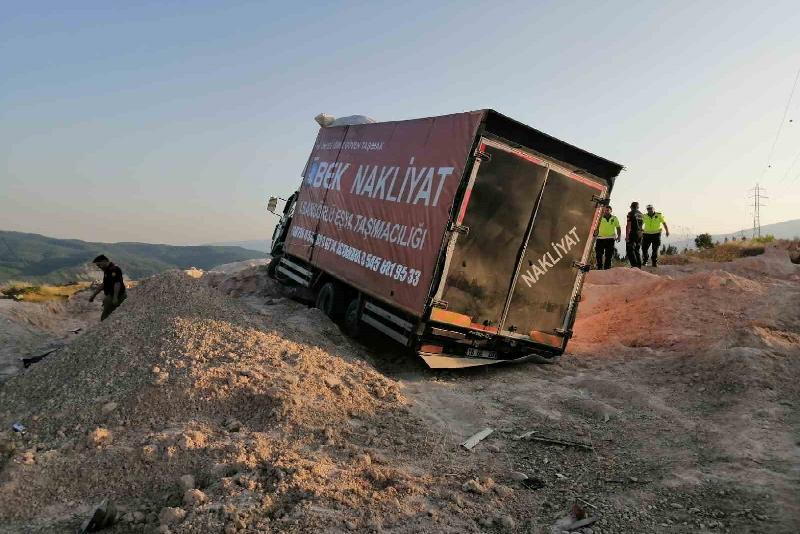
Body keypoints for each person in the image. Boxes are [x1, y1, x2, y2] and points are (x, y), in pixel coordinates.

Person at [88, 255, 127, 321]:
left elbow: (117, 283)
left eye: (99, 265)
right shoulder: (107, 270)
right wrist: (93, 295)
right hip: (111, 295)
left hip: (117, 295)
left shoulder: (114, 269)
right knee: (109, 312)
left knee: (105, 316)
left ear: (104, 261)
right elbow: (104, 284)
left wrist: (115, 297)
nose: (99, 267)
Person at [595, 205, 621, 269]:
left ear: (611, 211)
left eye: (607, 210)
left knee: (609, 255)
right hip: (600, 238)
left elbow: (618, 227)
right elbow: (595, 227)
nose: (606, 211)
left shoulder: (614, 218)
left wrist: (619, 236)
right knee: (599, 255)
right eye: (605, 210)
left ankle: (607, 268)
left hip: (610, 239)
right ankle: (599, 268)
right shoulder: (599, 218)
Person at [625, 201, 643, 268]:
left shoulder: (630, 213)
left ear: (631, 207)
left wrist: (627, 236)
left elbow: (629, 225)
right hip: (640, 233)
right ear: (637, 207)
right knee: (637, 250)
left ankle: (634, 266)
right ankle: (639, 266)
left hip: (633, 233)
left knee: (629, 250)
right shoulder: (641, 214)